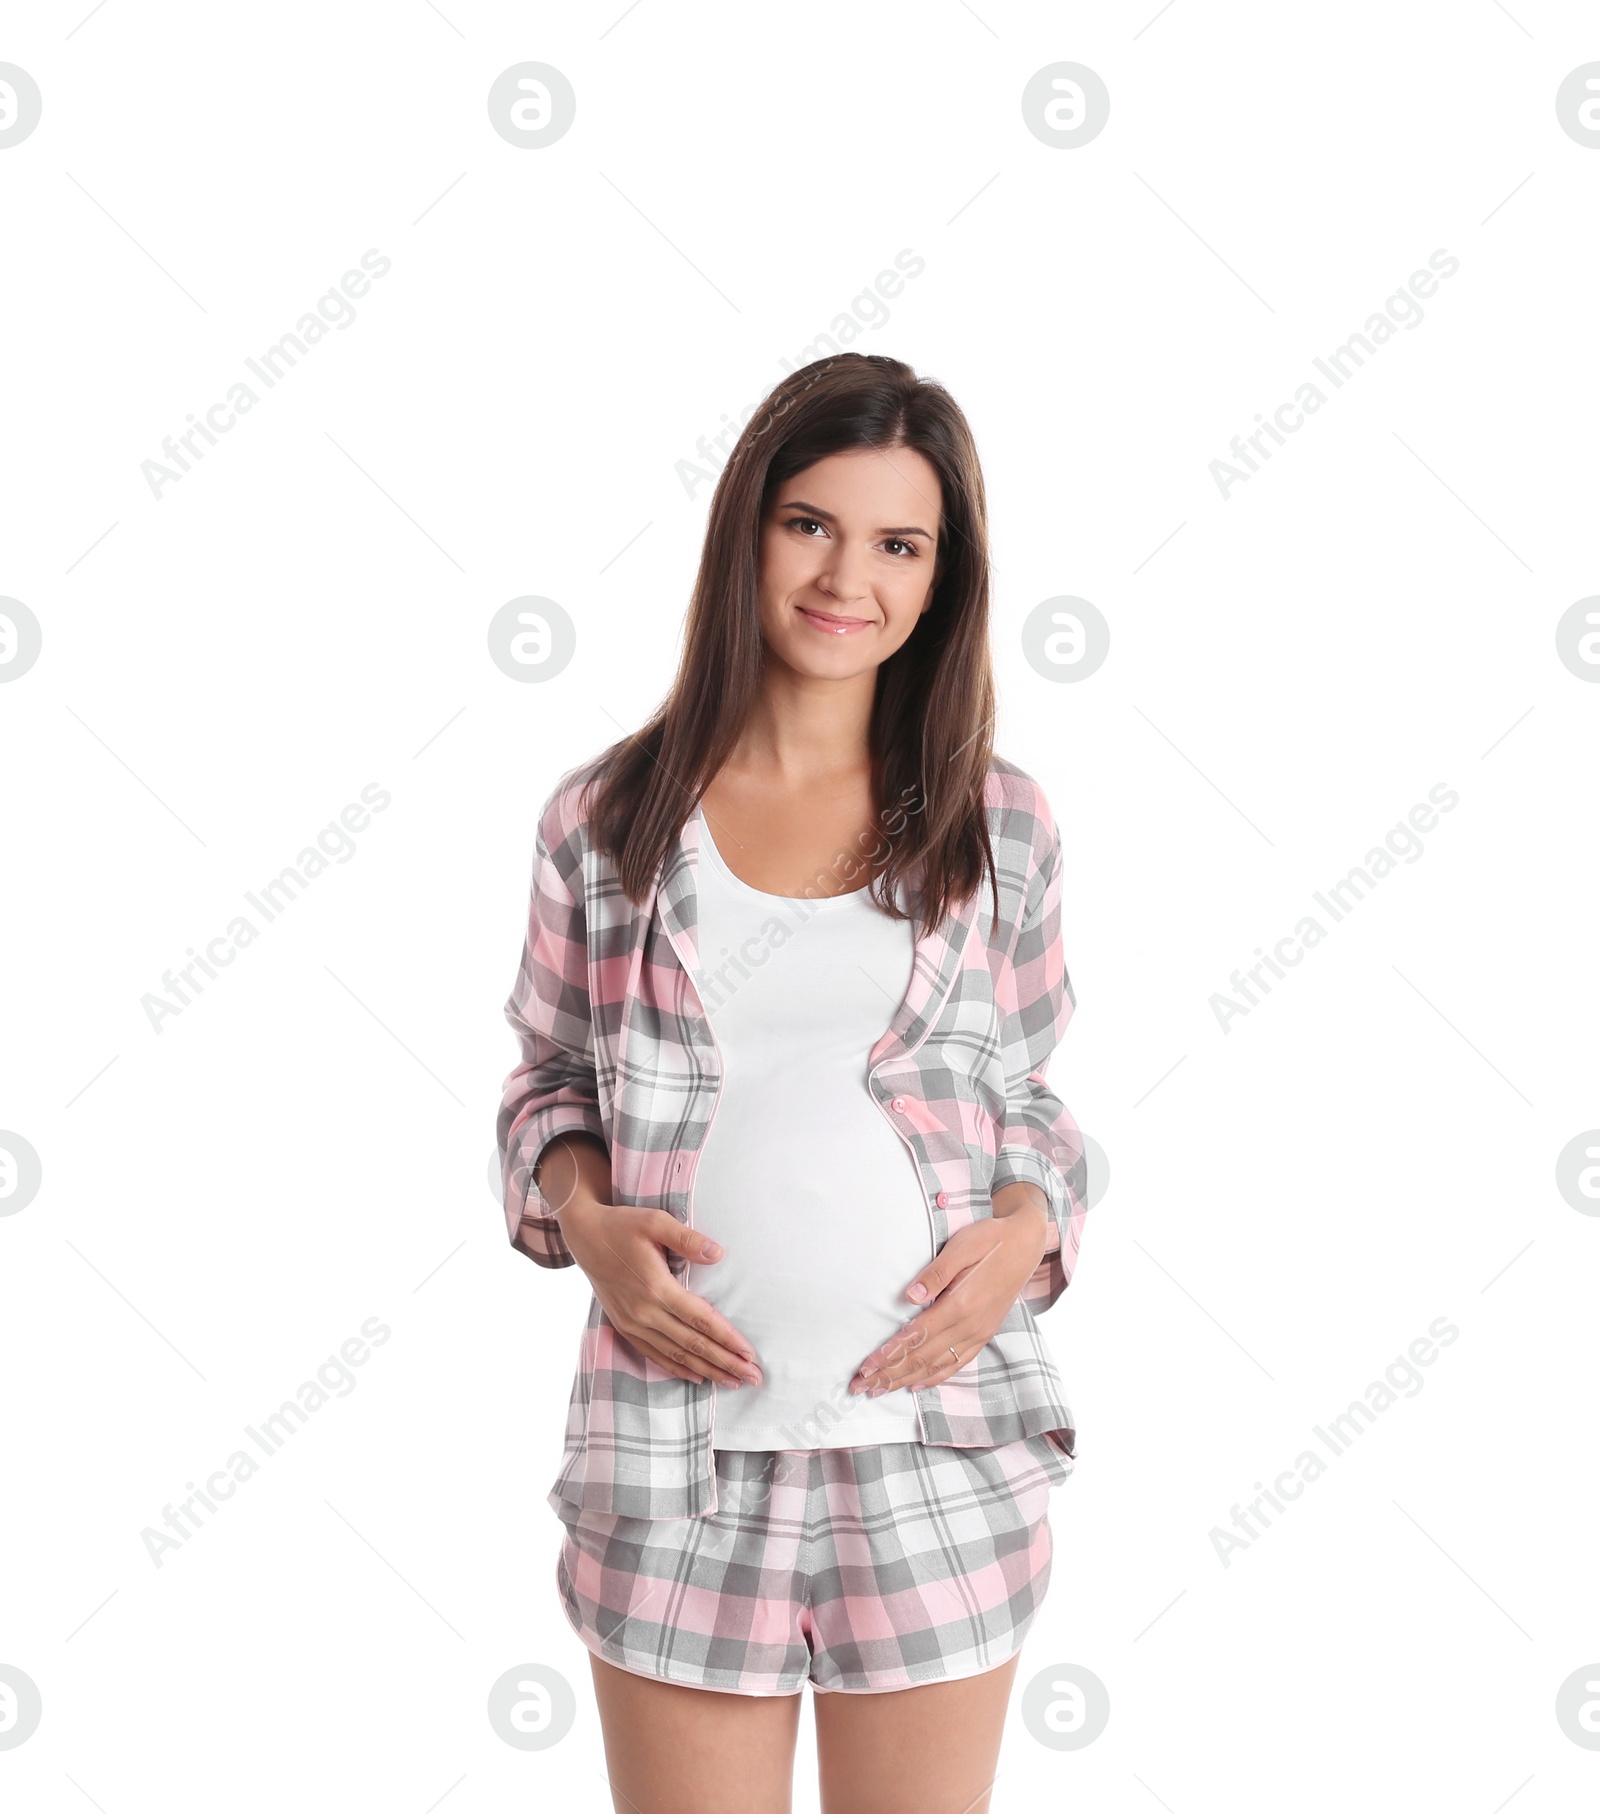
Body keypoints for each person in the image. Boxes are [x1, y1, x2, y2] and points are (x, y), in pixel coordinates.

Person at [496, 352, 1089, 1814]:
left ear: (942, 581)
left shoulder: (1000, 821)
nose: (848, 575)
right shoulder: (608, 818)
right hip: (676, 1462)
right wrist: (590, 1226)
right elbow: (548, 1087)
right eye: (810, 522)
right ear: (747, 530)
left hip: (936, 1455)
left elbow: (1031, 1101)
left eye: (900, 543)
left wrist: (1027, 1225)